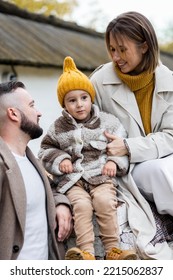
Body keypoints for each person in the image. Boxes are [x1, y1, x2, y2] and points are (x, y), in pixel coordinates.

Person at [90, 11, 173, 259]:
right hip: (128, 167)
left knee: (163, 168)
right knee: (156, 171)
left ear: (144, 46)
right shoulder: (98, 82)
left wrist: (128, 145)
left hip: (164, 155)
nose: (116, 57)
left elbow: (171, 135)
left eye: (122, 50)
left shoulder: (170, 82)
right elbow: (86, 128)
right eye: (112, 49)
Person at [38, 56, 137, 260]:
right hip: (73, 181)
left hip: (100, 176)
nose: (79, 105)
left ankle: (113, 250)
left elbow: (122, 146)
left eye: (84, 98)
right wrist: (60, 159)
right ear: (64, 104)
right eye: (72, 100)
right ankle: (86, 252)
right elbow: (45, 149)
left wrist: (113, 162)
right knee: (81, 206)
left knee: (104, 201)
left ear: (91, 97)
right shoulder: (58, 127)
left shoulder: (108, 122)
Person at [0, 80, 73, 260]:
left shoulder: (32, 161)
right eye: (32, 105)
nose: (39, 112)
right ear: (14, 113)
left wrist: (60, 203)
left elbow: (49, 190)